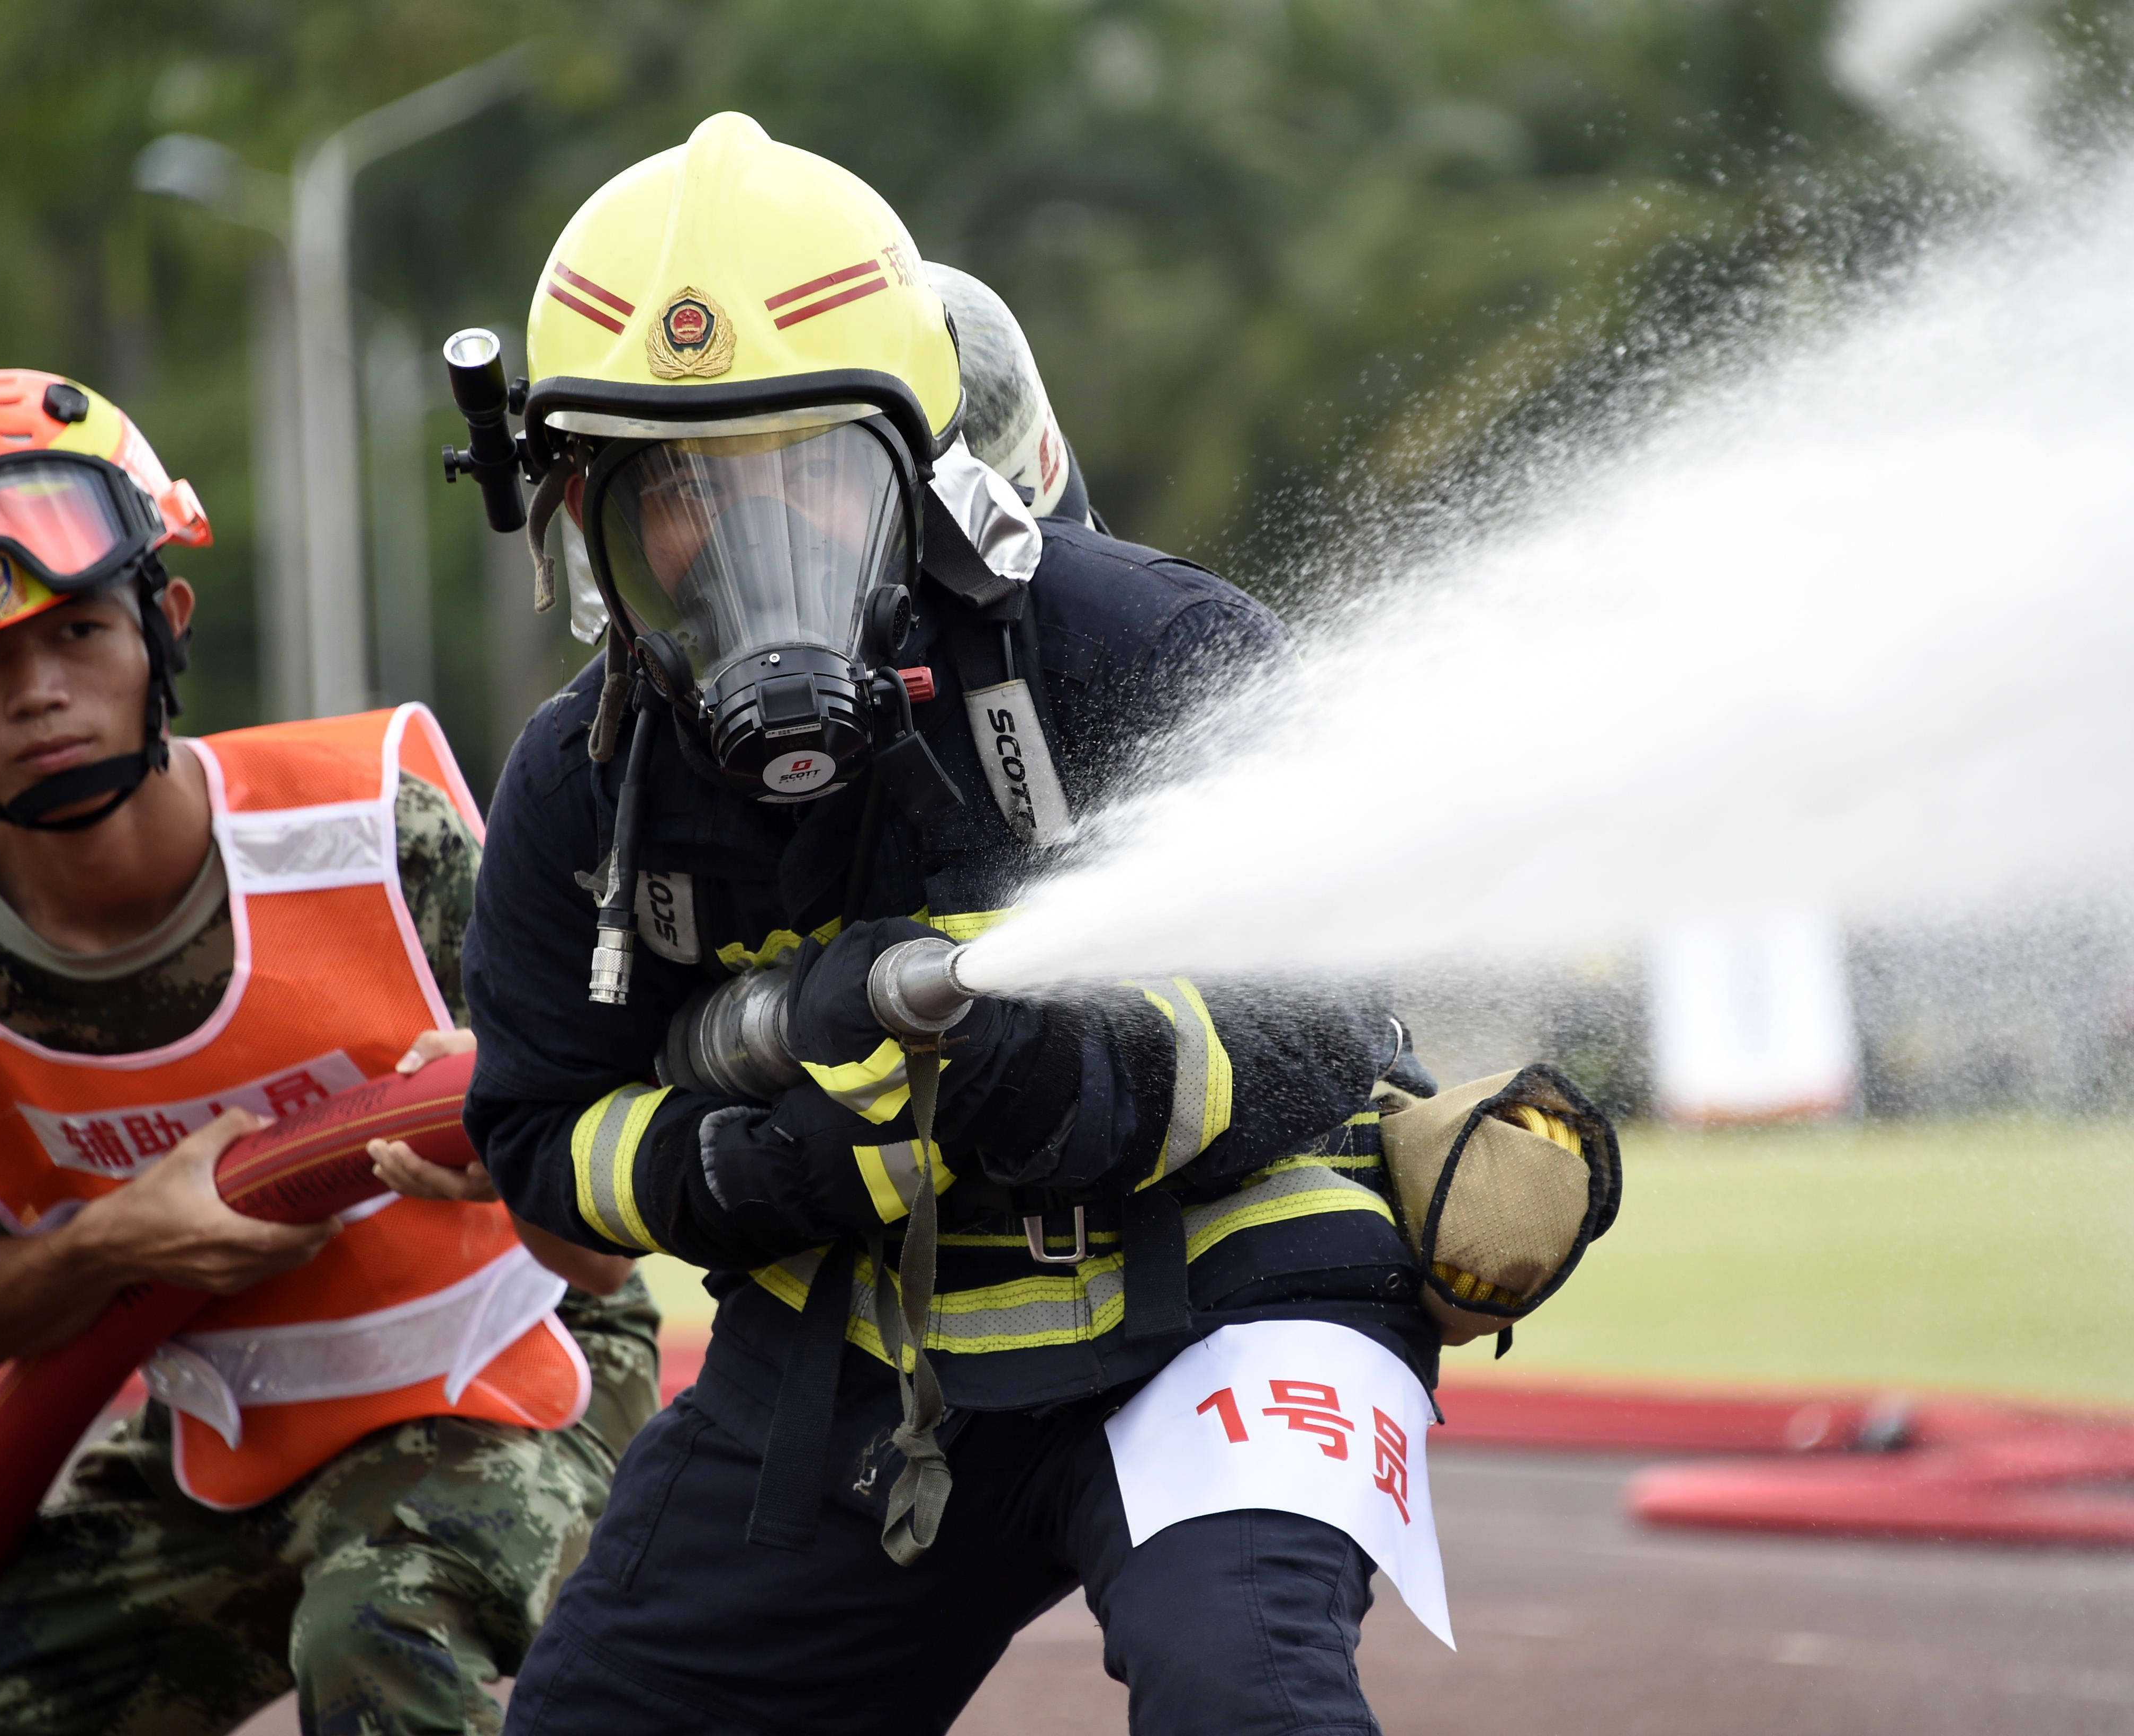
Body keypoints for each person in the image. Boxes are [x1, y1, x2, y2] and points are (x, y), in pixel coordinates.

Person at [463, 114, 1437, 1735]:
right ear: (582, 512)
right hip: (857, 1351)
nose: (747, 539)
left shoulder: (1140, 647)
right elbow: (538, 1138)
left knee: (1239, 1694)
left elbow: (1330, 1010)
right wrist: (747, 1168)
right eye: (675, 490)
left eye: (805, 472)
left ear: (918, 472)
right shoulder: (583, 783)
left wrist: (1071, 1082)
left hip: (1230, 1303)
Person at [0, 359, 661, 1734]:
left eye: (77, 631)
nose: (38, 692)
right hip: (223, 1434)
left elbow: (605, 1245)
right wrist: (118, 1240)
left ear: (163, 623)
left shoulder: (375, 829)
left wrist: (512, 1156)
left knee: (378, 1637)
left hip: (514, 1360)